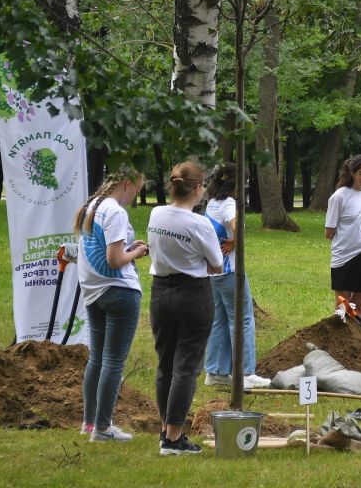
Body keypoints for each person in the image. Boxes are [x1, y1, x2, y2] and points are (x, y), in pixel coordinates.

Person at [148, 162, 224, 456]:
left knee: (165, 364)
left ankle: (164, 428)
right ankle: (174, 438)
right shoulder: (199, 223)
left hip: (160, 292)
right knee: (186, 367)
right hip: (192, 294)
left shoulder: (157, 213)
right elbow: (216, 263)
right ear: (197, 189)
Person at [76, 169, 149, 442]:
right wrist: (138, 252)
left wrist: (130, 246)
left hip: (93, 292)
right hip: (120, 293)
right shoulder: (116, 212)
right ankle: (104, 428)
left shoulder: (92, 205)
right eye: (136, 190)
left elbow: (102, 248)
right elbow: (115, 259)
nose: (135, 197)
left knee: (96, 358)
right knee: (113, 362)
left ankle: (89, 423)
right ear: (127, 184)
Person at [202, 164, 271, 390]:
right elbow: (236, 226)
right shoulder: (230, 204)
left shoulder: (212, 203)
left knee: (218, 320)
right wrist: (234, 241)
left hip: (213, 272)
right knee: (243, 320)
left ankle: (215, 372)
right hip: (230, 271)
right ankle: (246, 372)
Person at [325, 155, 361, 317]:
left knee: (358, 308)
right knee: (343, 307)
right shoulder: (339, 197)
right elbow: (329, 232)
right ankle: (340, 341)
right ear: (352, 173)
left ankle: (360, 341)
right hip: (345, 257)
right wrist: (350, 241)